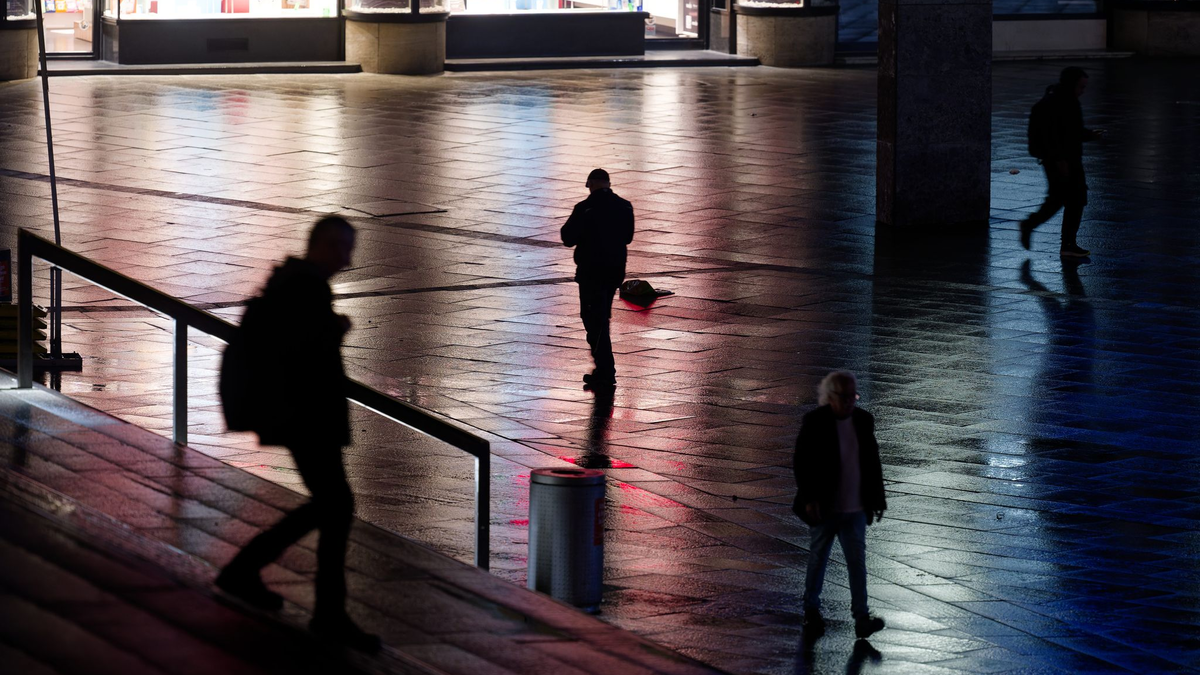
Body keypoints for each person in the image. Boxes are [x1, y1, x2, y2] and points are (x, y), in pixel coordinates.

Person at [215, 217, 380, 653]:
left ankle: (250, 573)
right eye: (342, 247)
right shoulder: (307, 286)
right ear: (322, 246)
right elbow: (303, 348)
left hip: (300, 415)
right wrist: (336, 329)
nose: (347, 257)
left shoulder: (294, 280)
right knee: (335, 505)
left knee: (331, 505)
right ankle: (325, 613)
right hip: (306, 417)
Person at [792, 371, 887, 640]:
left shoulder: (863, 420)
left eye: (853, 396)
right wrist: (810, 499)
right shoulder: (815, 422)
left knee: (857, 563)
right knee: (818, 558)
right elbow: (802, 463)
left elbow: (872, 462)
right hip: (826, 508)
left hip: (855, 507)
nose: (850, 402)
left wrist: (877, 500)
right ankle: (811, 610)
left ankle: (861, 617)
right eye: (844, 397)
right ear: (830, 397)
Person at [561, 168, 635, 391]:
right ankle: (603, 369)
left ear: (591, 184)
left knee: (593, 320)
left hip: (591, 273)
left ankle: (605, 370)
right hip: (613, 273)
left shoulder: (584, 209)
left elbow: (567, 237)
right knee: (602, 318)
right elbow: (628, 237)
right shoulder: (624, 206)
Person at [1020, 66, 1106, 258]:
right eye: (1081, 87)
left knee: (1066, 199)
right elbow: (1054, 135)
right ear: (1071, 84)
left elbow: (1071, 131)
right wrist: (1060, 160)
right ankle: (1063, 242)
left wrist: (1090, 135)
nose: (1083, 91)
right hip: (1062, 160)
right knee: (1068, 199)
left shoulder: (1064, 100)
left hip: (1065, 158)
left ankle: (1064, 241)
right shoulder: (1060, 103)